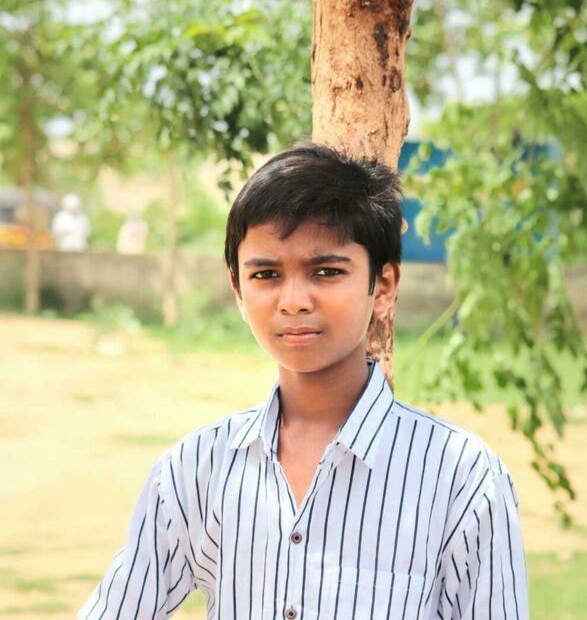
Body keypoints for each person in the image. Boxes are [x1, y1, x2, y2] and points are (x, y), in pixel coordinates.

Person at [78, 144, 528, 619]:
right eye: (267, 274)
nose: (293, 300)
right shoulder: (197, 468)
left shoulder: (462, 478)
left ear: (384, 286)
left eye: (326, 272)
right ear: (238, 289)